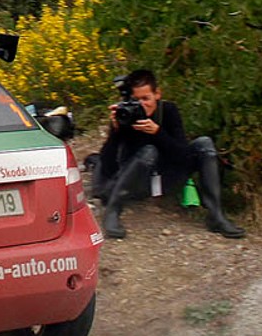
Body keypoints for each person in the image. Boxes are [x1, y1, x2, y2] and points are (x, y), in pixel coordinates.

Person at [93, 69, 245, 239]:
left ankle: (216, 215)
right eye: (136, 100)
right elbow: (108, 164)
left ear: (157, 94)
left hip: (167, 179)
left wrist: (157, 133)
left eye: (146, 99)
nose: (142, 105)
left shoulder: (169, 111)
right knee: (149, 152)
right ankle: (113, 211)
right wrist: (116, 131)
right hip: (138, 182)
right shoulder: (125, 116)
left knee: (204, 143)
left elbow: (183, 155)